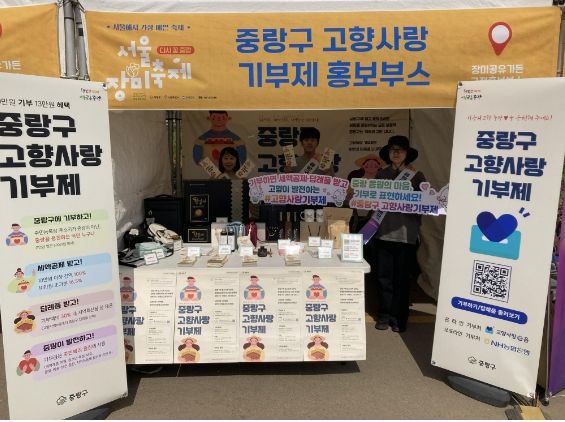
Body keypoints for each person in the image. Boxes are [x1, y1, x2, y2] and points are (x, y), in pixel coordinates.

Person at [373, 135, 426, 333]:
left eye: (400, 150)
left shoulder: (417, 175)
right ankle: (384, 315)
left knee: (402, 279)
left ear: (407, 153)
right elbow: (372, 199)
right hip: (383, 233)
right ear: (388, 153)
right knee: (383, 277)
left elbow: (425, 203)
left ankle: (399, 317)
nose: (396, 153)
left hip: (406, 235)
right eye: (392, 149)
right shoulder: (381, 174)